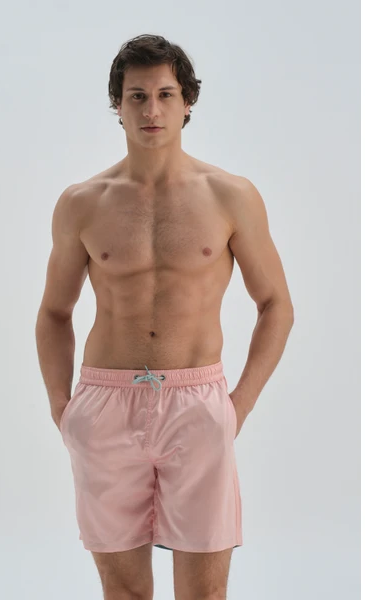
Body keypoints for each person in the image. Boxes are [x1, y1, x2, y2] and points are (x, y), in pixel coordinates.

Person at [35, 33, 294, 600]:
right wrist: (62, 407)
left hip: (197, 403)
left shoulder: (230, 196)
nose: (151, 110)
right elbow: (55, 312)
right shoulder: (82, 203)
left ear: (187, 101)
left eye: (164, 94)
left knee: (203, 594)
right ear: (117, 104)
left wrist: (238, 405)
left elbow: (276, 304)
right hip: (104, 404)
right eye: (136, 96)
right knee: (124, 592)